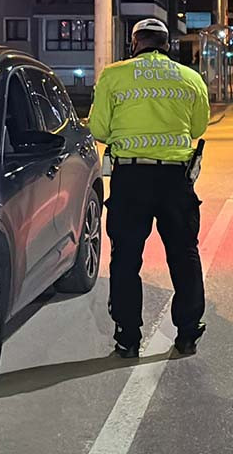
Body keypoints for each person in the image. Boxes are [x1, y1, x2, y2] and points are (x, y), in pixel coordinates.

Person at [88, 18, 211, 358]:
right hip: (176, 181)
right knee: (184, 255)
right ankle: (187, 334)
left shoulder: (114, 75)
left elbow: (99, 129)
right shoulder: (190, 78)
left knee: (126, 258)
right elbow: (198, 127)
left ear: (134, 43)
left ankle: (128, 338)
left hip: (131, 180)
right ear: (167, 44)